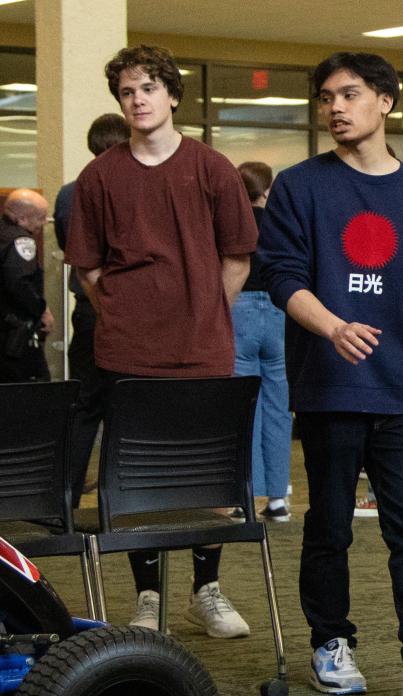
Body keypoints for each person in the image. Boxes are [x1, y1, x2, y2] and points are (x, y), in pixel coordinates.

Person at [258, 51, 403, 696]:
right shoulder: (299, 186)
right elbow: (281, 278)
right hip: (329, 387)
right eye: (325, 98)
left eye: (348, 94)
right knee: (329, 522)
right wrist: (332, 327)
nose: (335, 108)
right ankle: (330, 641)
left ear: (386, 102)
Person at [65, 45, 259, 638]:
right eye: (127, 92)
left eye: (149, 87)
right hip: (127, 354)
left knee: (205, 474)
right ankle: (148, 597)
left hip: (202, 348)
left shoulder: (213, 168)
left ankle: (207, 589)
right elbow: (90, 270)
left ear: (173, 95)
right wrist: (129, 316)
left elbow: (236, 256)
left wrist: (201, 313)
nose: (138, 99)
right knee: (133, 480)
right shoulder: (100, 177)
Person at [54, 112, 130, 500]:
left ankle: (66, 492)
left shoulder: (70, 191)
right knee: (125, 403)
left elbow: (73, 249)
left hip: (86, 306)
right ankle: (119, 492)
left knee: (85, 403)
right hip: (124, 309)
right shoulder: (125, 186)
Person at [232, 161, 292, 523]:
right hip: (278, 311)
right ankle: (277, 500)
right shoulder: (280, 221)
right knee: (278, 408)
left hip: (239, 312)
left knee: (243, 409)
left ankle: (244, 497)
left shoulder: (230, 220)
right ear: (266, 190)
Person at [0, 189, 53, 384]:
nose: (45, 222)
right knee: (32, 390)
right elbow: (19, 282)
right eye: (40, 217)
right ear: (22, 219)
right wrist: (41, 310)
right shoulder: (22, 241)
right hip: (14, 334)